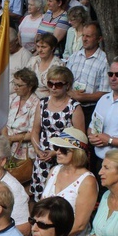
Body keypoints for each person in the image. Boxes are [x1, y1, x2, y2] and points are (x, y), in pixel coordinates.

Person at [41, 128, 97, 236]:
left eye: (64, 149)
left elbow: (79, 224)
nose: (58, 152)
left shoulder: (87, 181)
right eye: (57, 147)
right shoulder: (54, 171)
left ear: (77, 153)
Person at [30, 65, 83, 201]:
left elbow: (80, 138)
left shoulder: (74, 107)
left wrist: (55, 152)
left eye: (58, 84)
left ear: (67, 85)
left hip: (65, 158)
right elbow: (35, 131)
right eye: (50, 83)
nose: (53, 87)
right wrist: (38, 150)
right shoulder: (42, 103)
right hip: (42, 158)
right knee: (40, 197)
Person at [3, 68, 41, 162]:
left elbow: (33, 132)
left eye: (19, 85)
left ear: (30, 86)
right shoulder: (11, 98)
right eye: (14, 84)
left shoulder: (37, 104)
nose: (15, 88)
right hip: (6, 147)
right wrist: (5, 138)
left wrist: (11, 139)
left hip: (25, 152)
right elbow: (2, 121)